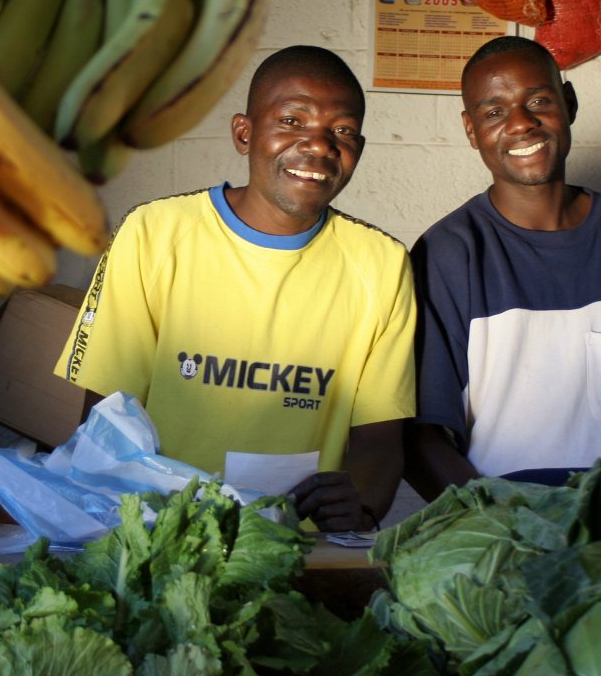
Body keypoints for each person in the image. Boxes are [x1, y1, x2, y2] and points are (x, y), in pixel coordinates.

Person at [55, 45, 416, 532]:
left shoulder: (382, 264)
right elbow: (105, 418)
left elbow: (380, 438)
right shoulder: (152, 234)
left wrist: (363, 506)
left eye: (342, 131)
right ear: (244, 134)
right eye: (292, 120)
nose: (318, 145)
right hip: (160, 539)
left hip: (293, 551)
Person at [406, 35, 601, 501]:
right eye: (494, 112)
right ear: (471, 130)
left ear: (569, 102)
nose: (521, 123)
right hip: (507, 546)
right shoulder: (448, 254)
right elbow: (420, 438)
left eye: (537, 100)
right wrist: (502, 525)